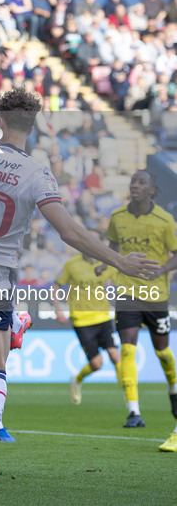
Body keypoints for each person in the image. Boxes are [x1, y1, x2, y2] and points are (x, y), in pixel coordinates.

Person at [0, 87, 158, 488]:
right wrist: (120, 261)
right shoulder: (37, 174)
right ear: (33, 124)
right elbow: (70, 232)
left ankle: (15, 324)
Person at [96, 170, 177, 445]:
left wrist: (162, 270)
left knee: (162, 351)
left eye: (141, 182)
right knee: (128, 347)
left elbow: (176, 255)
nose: (135, 185)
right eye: (133, 181)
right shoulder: (118, 217)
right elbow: (114, 244)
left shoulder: (165, 221)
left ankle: (173, 388)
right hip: (127, 290)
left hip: (156, 294)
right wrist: (105, 262)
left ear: (152, 190)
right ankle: (134, 411)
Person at [52, 233, 121, 405]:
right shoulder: (72, 264)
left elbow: (120, 285)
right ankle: (77, 379)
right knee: (97, 364)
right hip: (82, 320)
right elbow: (56, 285)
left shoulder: (106, 263)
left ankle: (129, 396)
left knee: (115, 355)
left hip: (104, 316)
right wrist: (58, 309)